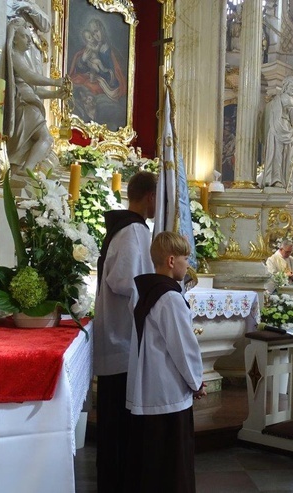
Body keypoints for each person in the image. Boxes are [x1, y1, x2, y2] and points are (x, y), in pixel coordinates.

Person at [93, 171, 157, 493]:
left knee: (113, 422)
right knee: (119, 422)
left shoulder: (125, 228)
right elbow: (123, 282)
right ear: (150, 197)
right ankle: (117, 482)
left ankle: (113, 479)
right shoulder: (134, 231)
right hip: (123, 341)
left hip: (117, 340)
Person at [127, 232, 205, 493]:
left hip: (148, 386)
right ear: (171, 260)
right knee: (173, 465)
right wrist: (196, 382)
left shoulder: (142, 291)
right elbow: (184, 347)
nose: (187, 264)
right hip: (169, 390)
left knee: (153, 463)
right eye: (185, 258)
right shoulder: (170, 298)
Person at [5, 18, 68, 175]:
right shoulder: (14, 55)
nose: (29, 40)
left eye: (29, 36)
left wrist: (55, 94)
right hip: (24, 104)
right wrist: (55, 82)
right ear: (14, 39)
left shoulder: (23, 58)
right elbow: (30, 77)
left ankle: (24, 168)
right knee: (46, 139)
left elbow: (34, 89)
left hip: (29, 101)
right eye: (25, 36)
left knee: (37, 141)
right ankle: (28, 169)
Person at [262, 76, 293, 188]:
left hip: (276, 129)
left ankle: (274, 178)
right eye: (292, 86)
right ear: (286, 86)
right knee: (280, 156)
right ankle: (277, 179)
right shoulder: (287, 98)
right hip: (281, 128)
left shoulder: (276, 99)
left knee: (276, 154)